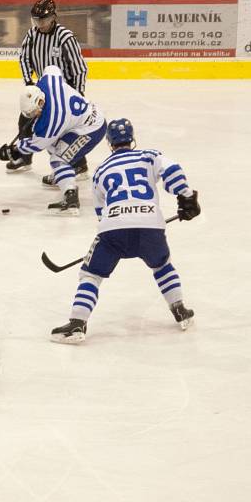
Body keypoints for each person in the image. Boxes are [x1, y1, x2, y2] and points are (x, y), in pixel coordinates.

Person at [50, 119, 201, 344]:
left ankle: (77, 323)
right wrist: (186, 196)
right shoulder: (149, 155)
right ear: (132, 138)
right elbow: (173, 170)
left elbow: (101, 212)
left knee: (91, 274)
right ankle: (179, 309)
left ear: (109, 143)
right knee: (162, 265)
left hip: (113, 229)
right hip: (150, 226)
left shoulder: (101, 170)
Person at [0, 65, 106, 215]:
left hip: (91, 128)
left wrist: (13, 150)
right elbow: (52, 68)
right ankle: (62, 175)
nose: (34, 115)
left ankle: (71, 196)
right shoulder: (47, 82)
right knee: (54, 145)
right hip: (85, 115)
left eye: (34, 112)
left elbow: (36, 145)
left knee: (58, 159)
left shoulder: (51, 121)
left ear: (40, 102)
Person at [6, 0, 89, 176]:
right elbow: (24, 58)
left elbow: (80, 68)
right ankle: (24, 157)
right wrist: (29, 83)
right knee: (25, 121)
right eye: (36, 20)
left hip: (63, 92)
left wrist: (79, 92)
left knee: (63, 129)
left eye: (42, 19)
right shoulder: (31, 35)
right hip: (41, 89)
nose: (39, 23)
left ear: (53, 17)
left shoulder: (65, 37)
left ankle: (79, 164)